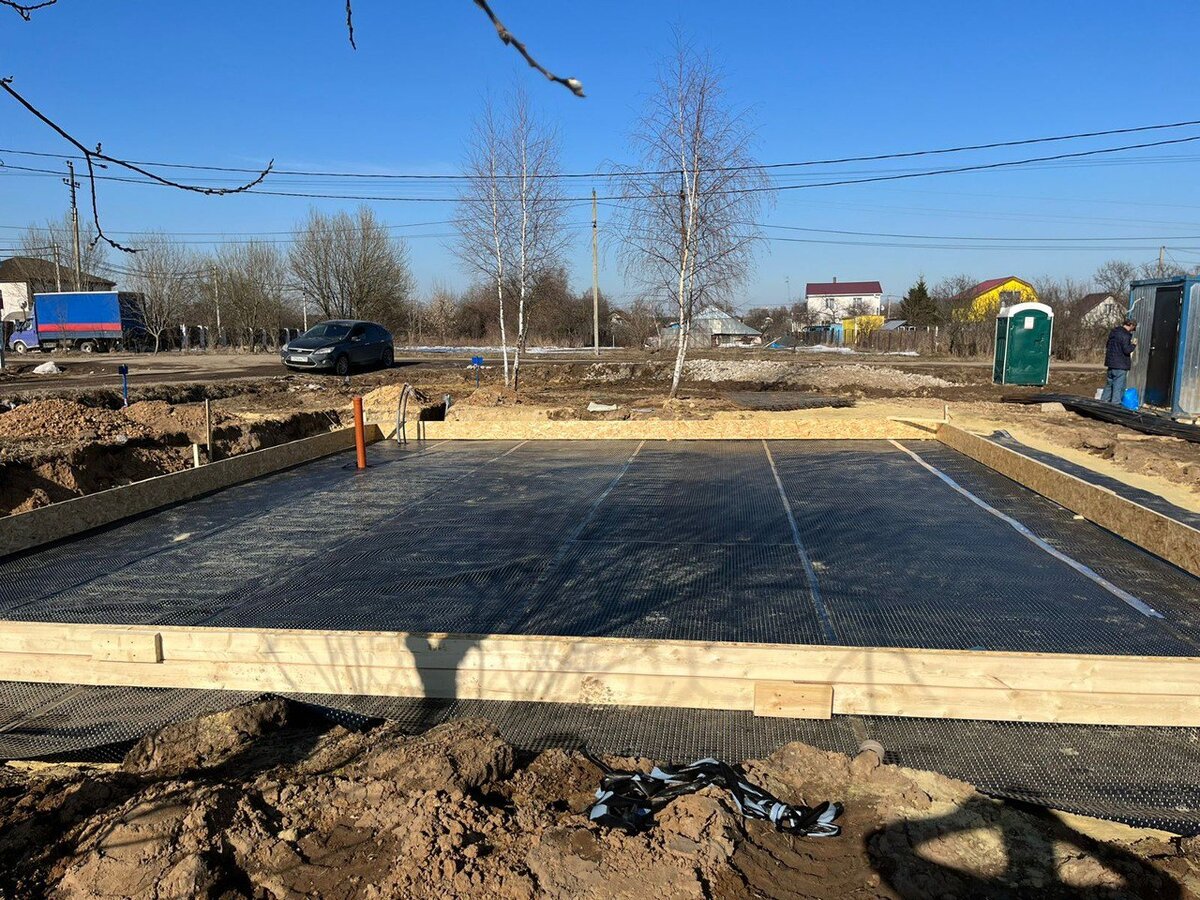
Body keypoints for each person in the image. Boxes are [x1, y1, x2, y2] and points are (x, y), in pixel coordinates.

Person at [1101, 318, 1137, 403]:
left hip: (1111, 364)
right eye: (1134, 327)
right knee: (1118, 387)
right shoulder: (1125, 335)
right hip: (1120, 365)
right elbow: (1126, 350)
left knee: (1109, 386)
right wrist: (1133, 345)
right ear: (1131, 325)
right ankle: (1115, 405)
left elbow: (1107, 346)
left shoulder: (1113, 333)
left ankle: (1103, 403)